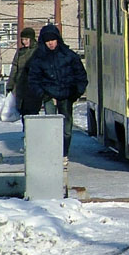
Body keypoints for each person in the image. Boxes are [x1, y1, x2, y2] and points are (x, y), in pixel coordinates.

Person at [25, 24, 88, 156]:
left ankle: (64, 153)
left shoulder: (69, 56)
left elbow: (81, 75)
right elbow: (33, 79)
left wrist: (76, 93)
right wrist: (43, 95)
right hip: (48, 97)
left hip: (67, 96)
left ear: (58, 39)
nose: (51, 43)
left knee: (67, 129)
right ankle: (54, 154)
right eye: (48, 41)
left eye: (53, 40)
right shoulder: (38, 59)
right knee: (51, 127)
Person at [6, 27, 39, 116]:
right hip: (21, 86)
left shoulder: (38, 51)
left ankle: (32, 129)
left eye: (26, 39)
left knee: (32, 113)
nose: (24, 41)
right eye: (22, 39)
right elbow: (14, 69)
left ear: (31, 39)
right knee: (23, 112)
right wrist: (10, 85)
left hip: (34, 86)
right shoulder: (20, 52)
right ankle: (26, 129)